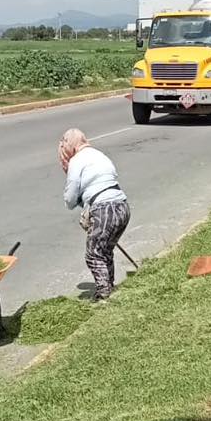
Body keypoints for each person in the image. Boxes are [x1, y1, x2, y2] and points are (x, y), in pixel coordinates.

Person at [58, 128, 131, 301]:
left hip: (105, 210)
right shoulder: (99, 155)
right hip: (122, 206)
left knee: (94, 254)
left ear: (71, 146)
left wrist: (68, 173)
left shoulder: (77, 160)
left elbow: (70, 198)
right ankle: (109, 287)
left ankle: (104, 295)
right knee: (105, 251)